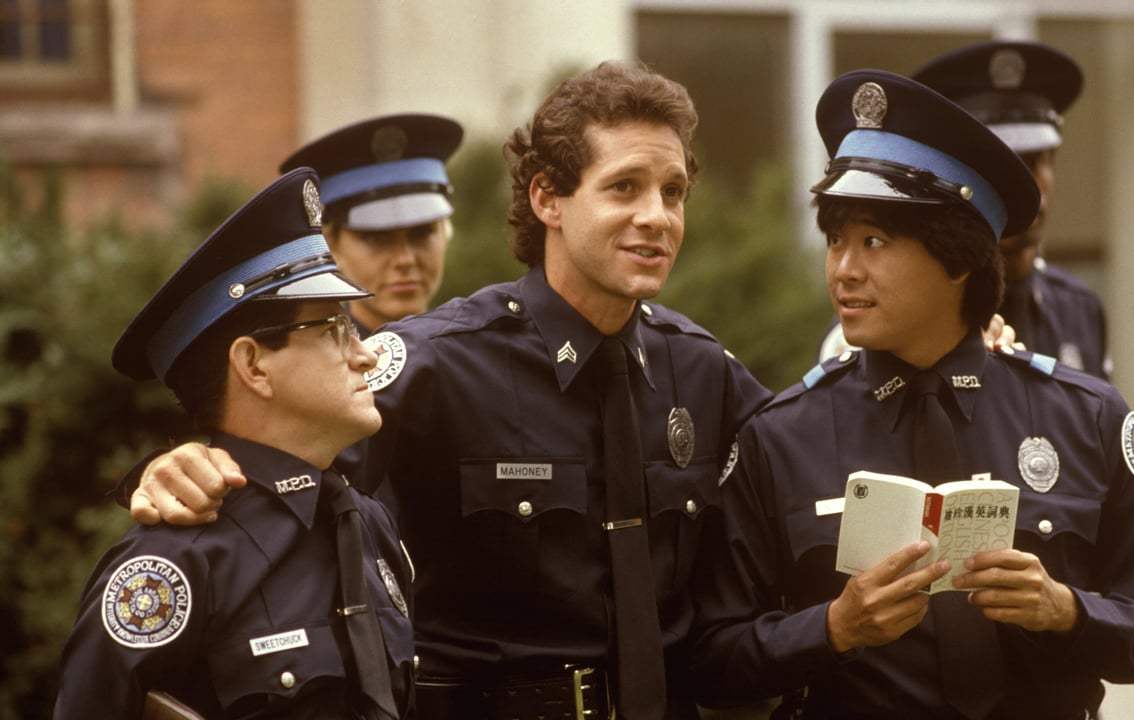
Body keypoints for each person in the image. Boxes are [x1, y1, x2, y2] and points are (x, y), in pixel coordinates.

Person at [119, 62, 798, 720]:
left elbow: (804, 466)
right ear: (547, 199)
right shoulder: (437, 364)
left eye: (673, 192)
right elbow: (281, 471)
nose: (657, 216)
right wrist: (184, 467)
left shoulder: (701, 370)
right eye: (624, 188)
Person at [692, 70, 1134, 719]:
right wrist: (832, 628)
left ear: (958, 259)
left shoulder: (1087, 417)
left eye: (874, 241)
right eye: (836, 240)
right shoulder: (781, 436)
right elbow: (710, 661)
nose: (844, 269)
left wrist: (1066, 610)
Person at [54, 169, 416, 718]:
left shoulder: (367, 523)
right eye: (333, 330)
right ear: (253, 365)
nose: (365, 354)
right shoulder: (171, 566)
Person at [914, 41, 1111, 378]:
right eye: (999, 168)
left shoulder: (1079, 310)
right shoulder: (910, 320)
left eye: (1032, 163)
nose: (1022, 187)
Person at [281, 113, 464, 335]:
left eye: (421, 233)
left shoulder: (474, 350)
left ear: (446, 233)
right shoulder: (309, 357)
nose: (404, 260)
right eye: (376, 238)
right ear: (330, 246)